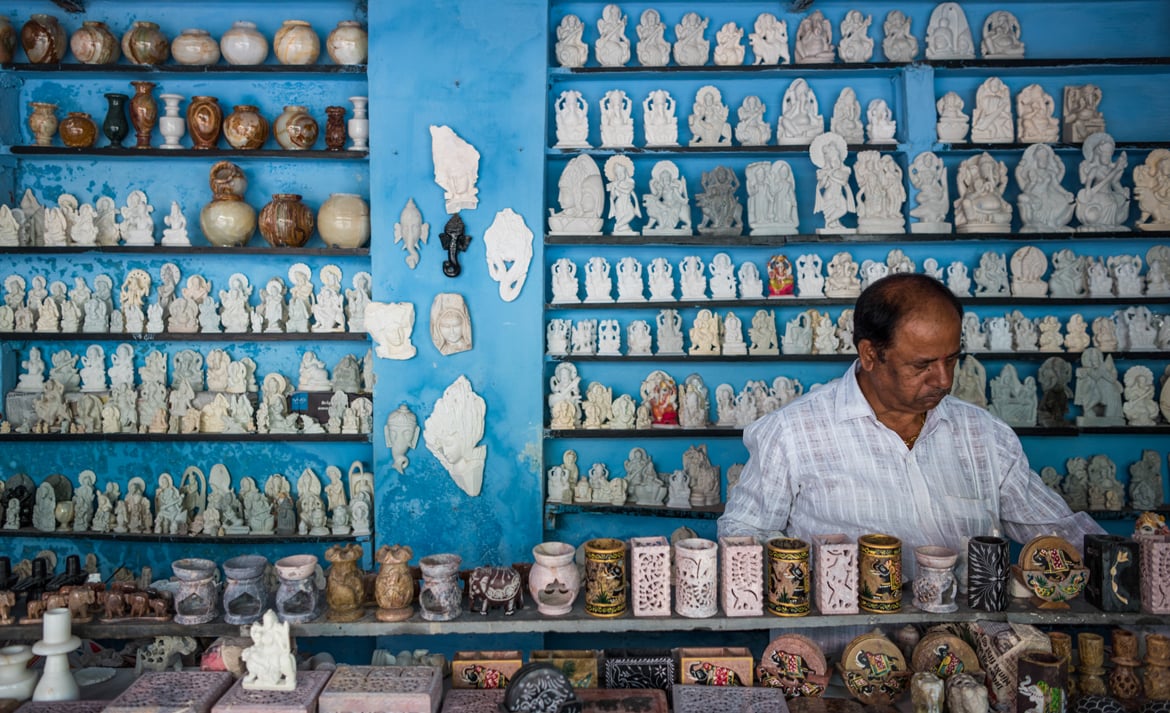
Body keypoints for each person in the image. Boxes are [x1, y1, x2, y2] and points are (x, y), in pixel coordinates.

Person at [718, 273, 1104, 573]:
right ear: (870, 354)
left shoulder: (985, 436)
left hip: (970, 661)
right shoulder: (793, 433)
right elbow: (741, 535)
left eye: (951, 360)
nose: (943, 380)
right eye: (921, 365)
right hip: (842, 662)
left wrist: (1128, 558)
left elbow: (1057, 532)